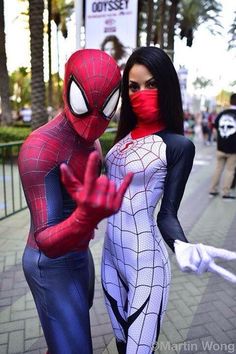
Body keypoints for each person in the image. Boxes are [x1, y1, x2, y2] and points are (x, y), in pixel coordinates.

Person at [101, 46, 236, 354]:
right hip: (109, 258)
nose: (141, 93)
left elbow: (167, 214)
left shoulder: (178, 146)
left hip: (146, 263)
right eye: (133, 87)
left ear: (167, 87)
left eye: (152, 84)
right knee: (122, 345)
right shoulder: (121, 140)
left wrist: (182, 245)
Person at [18, 49, 133, 354]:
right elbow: (46, 239)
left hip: (80, 256)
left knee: (68, 338)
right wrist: (85, 217)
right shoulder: (39, 147)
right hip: (50, 264)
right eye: (85, 104)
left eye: (105, 106)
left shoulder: (91, 141)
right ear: (69, 89)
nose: (95, 119)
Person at [209, 93, 236, 199]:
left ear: (230, 101)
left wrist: (218, 141)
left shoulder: (222, 114)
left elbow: (215, 130)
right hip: (233, 149)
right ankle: (225, 192)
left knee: (218, 168)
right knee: (230, 170)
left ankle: (212, 189)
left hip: (220, 147)